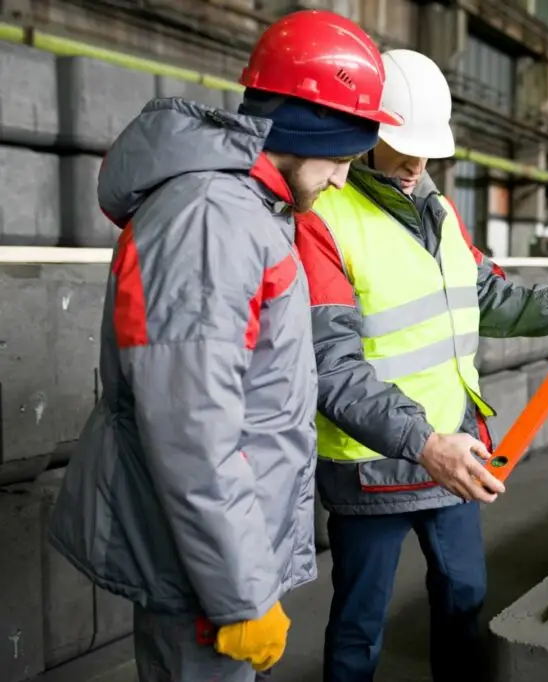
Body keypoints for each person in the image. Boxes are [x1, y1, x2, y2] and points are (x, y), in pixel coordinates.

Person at [46, 11, 401, 682]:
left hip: (219, 559)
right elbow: (191, 432)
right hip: (205, 574)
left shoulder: (246, 213)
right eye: (342, 159)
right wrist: (239, 596)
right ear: (303, 130)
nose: (341, 181)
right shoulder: (212, 221)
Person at [293, 48, 548, 682]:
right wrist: (422, 443)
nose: (416, 161)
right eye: (401, 144)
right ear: (365, 130)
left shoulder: (441, 211)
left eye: (426, 149)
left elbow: (485, 297)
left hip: (453, 452)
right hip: (374, 468)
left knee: (464, 601)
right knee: (359, 626)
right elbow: (331, 366)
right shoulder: (323, 219)